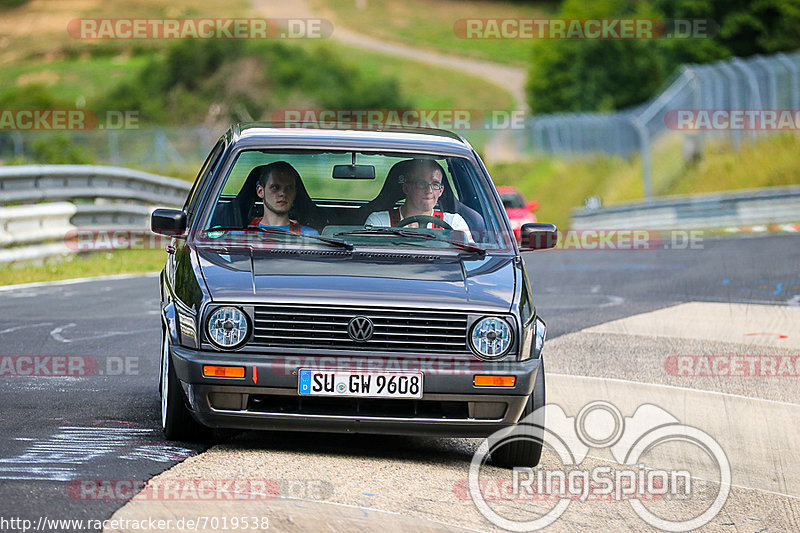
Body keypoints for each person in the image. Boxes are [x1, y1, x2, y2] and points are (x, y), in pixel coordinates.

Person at [365, 159, 471, 238]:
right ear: (406, 188)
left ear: (441, 191)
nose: (429, 190)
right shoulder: (379, 222)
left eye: (435, 184)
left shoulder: (454, 223)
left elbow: (469, 259)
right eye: (421, 184)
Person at [249, 161, 319, 235]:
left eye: (289, 188)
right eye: (275, 187)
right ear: (260, 191)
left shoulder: (310, 236)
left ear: (295, 193)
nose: (283, 193)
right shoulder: (240, 234)